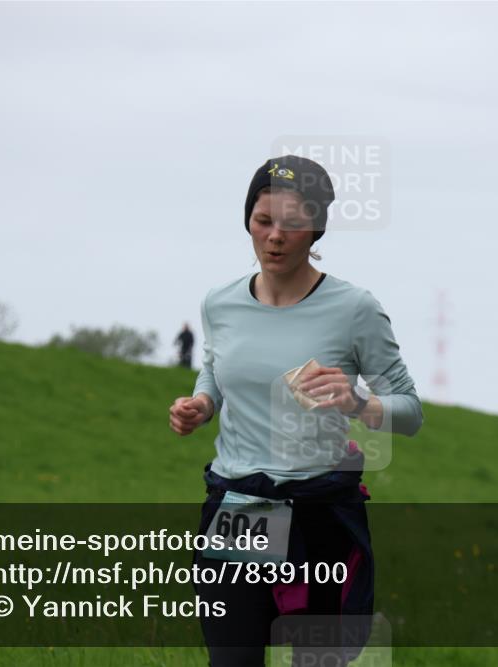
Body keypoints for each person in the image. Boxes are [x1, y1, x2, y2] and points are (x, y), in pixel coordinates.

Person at [168, 154, 423, 666]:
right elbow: (216, 369)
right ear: (248, 221)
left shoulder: (354, 309)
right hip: (239, 507)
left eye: (292, 224)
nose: (275, 237)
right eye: (263, 222)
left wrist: (358, 402)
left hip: (319, 512)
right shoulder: (220, 303)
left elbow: (410, 410)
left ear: (316, 229)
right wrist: (202, 403)